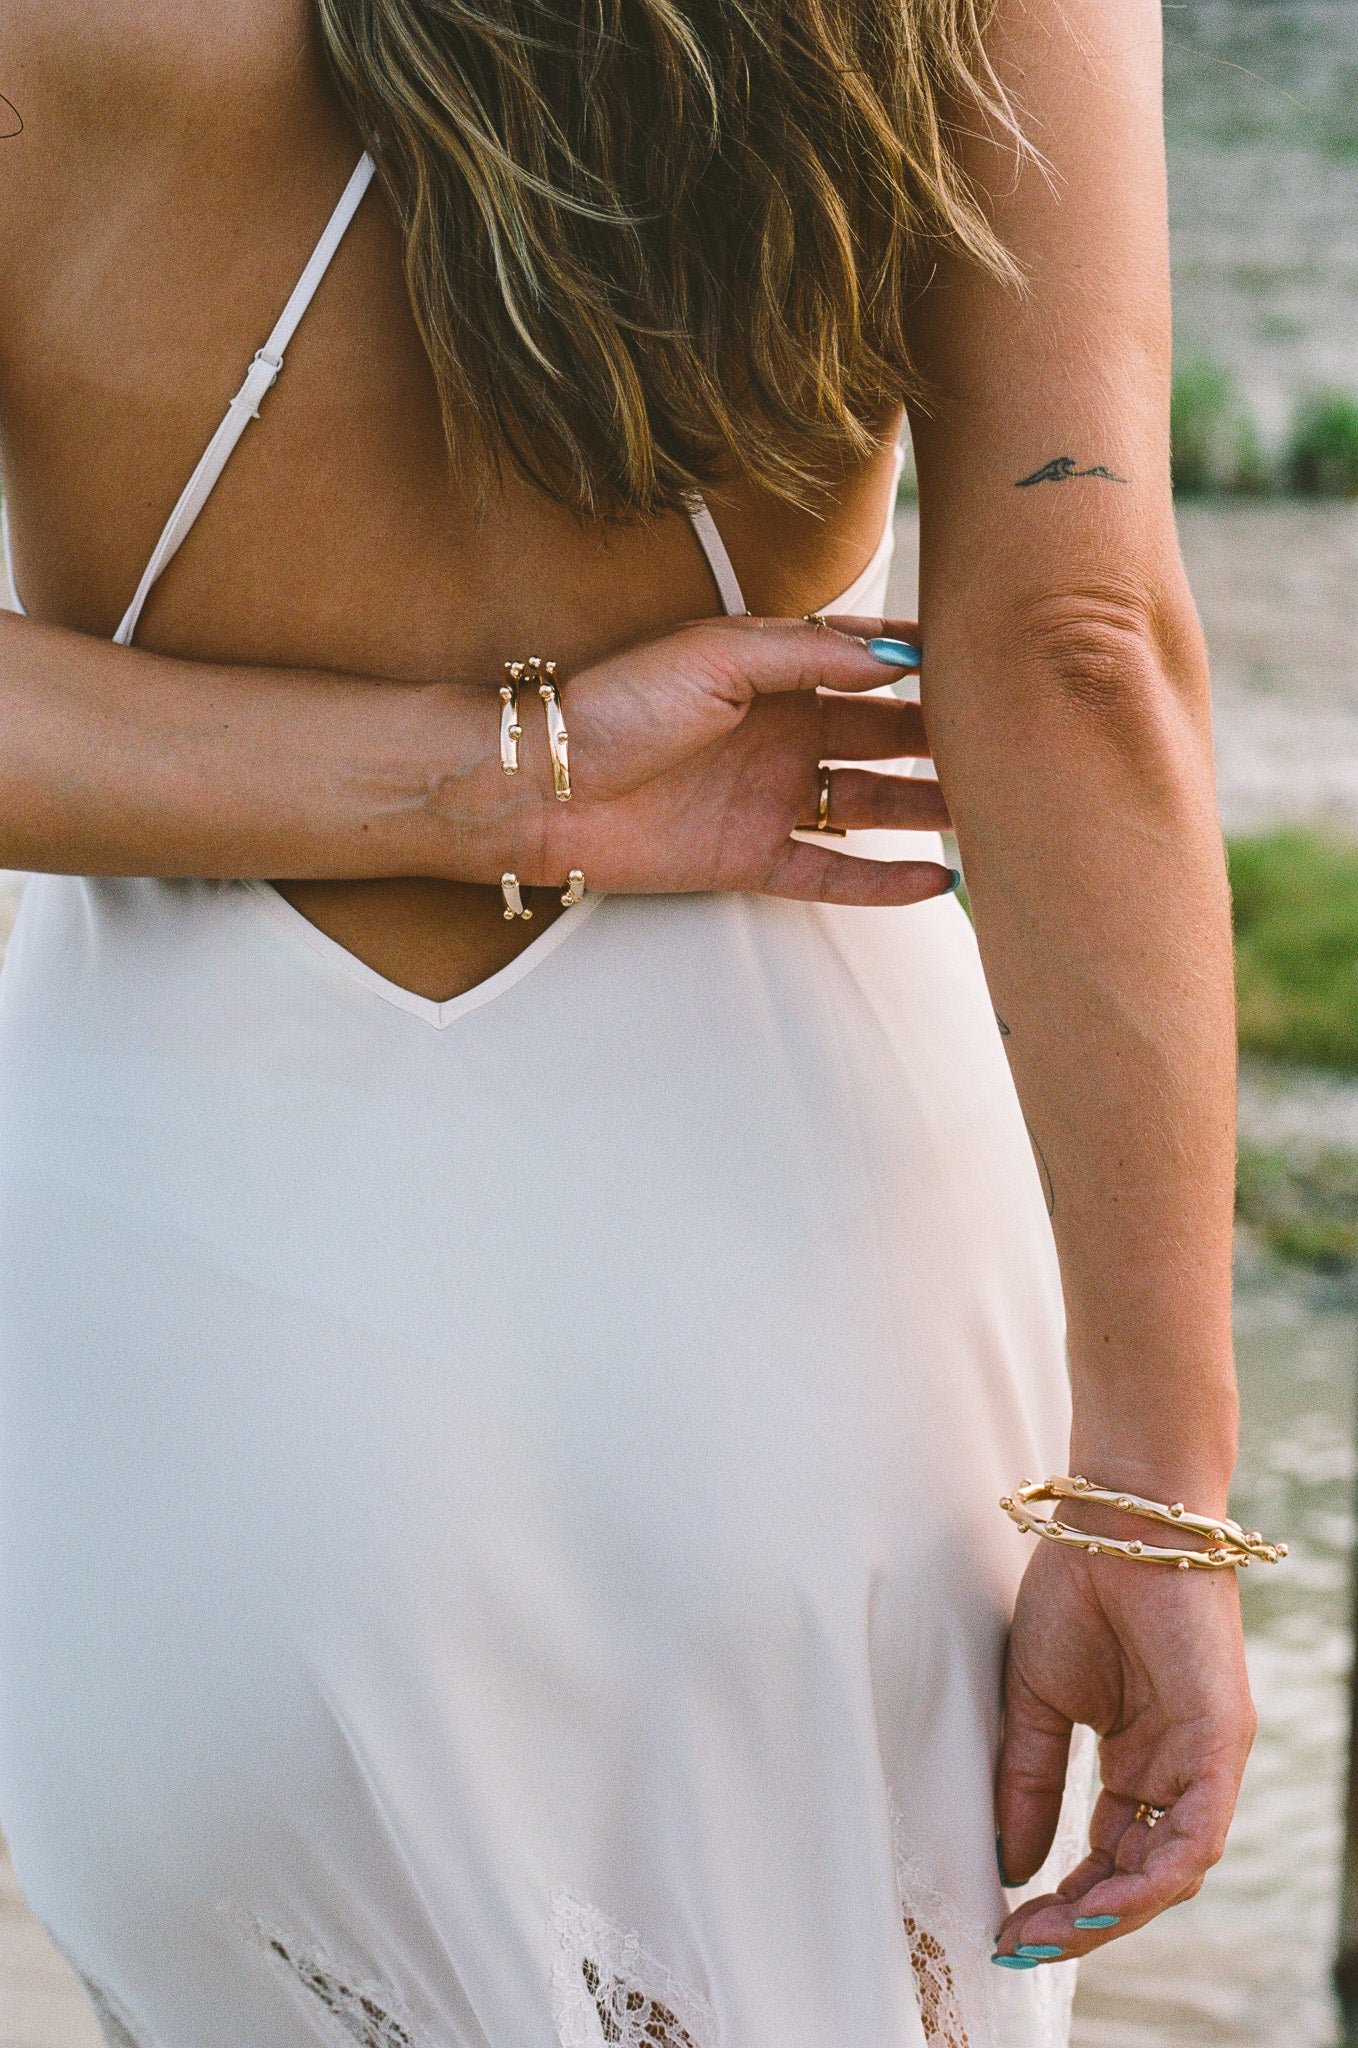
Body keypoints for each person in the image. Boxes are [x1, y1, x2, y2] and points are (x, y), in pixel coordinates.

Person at [0, 1, 1257, 2044]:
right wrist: (1151, 1488)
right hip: (816, 1208)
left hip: (196, 1249)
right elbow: (1077, 650)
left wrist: (490, 775)